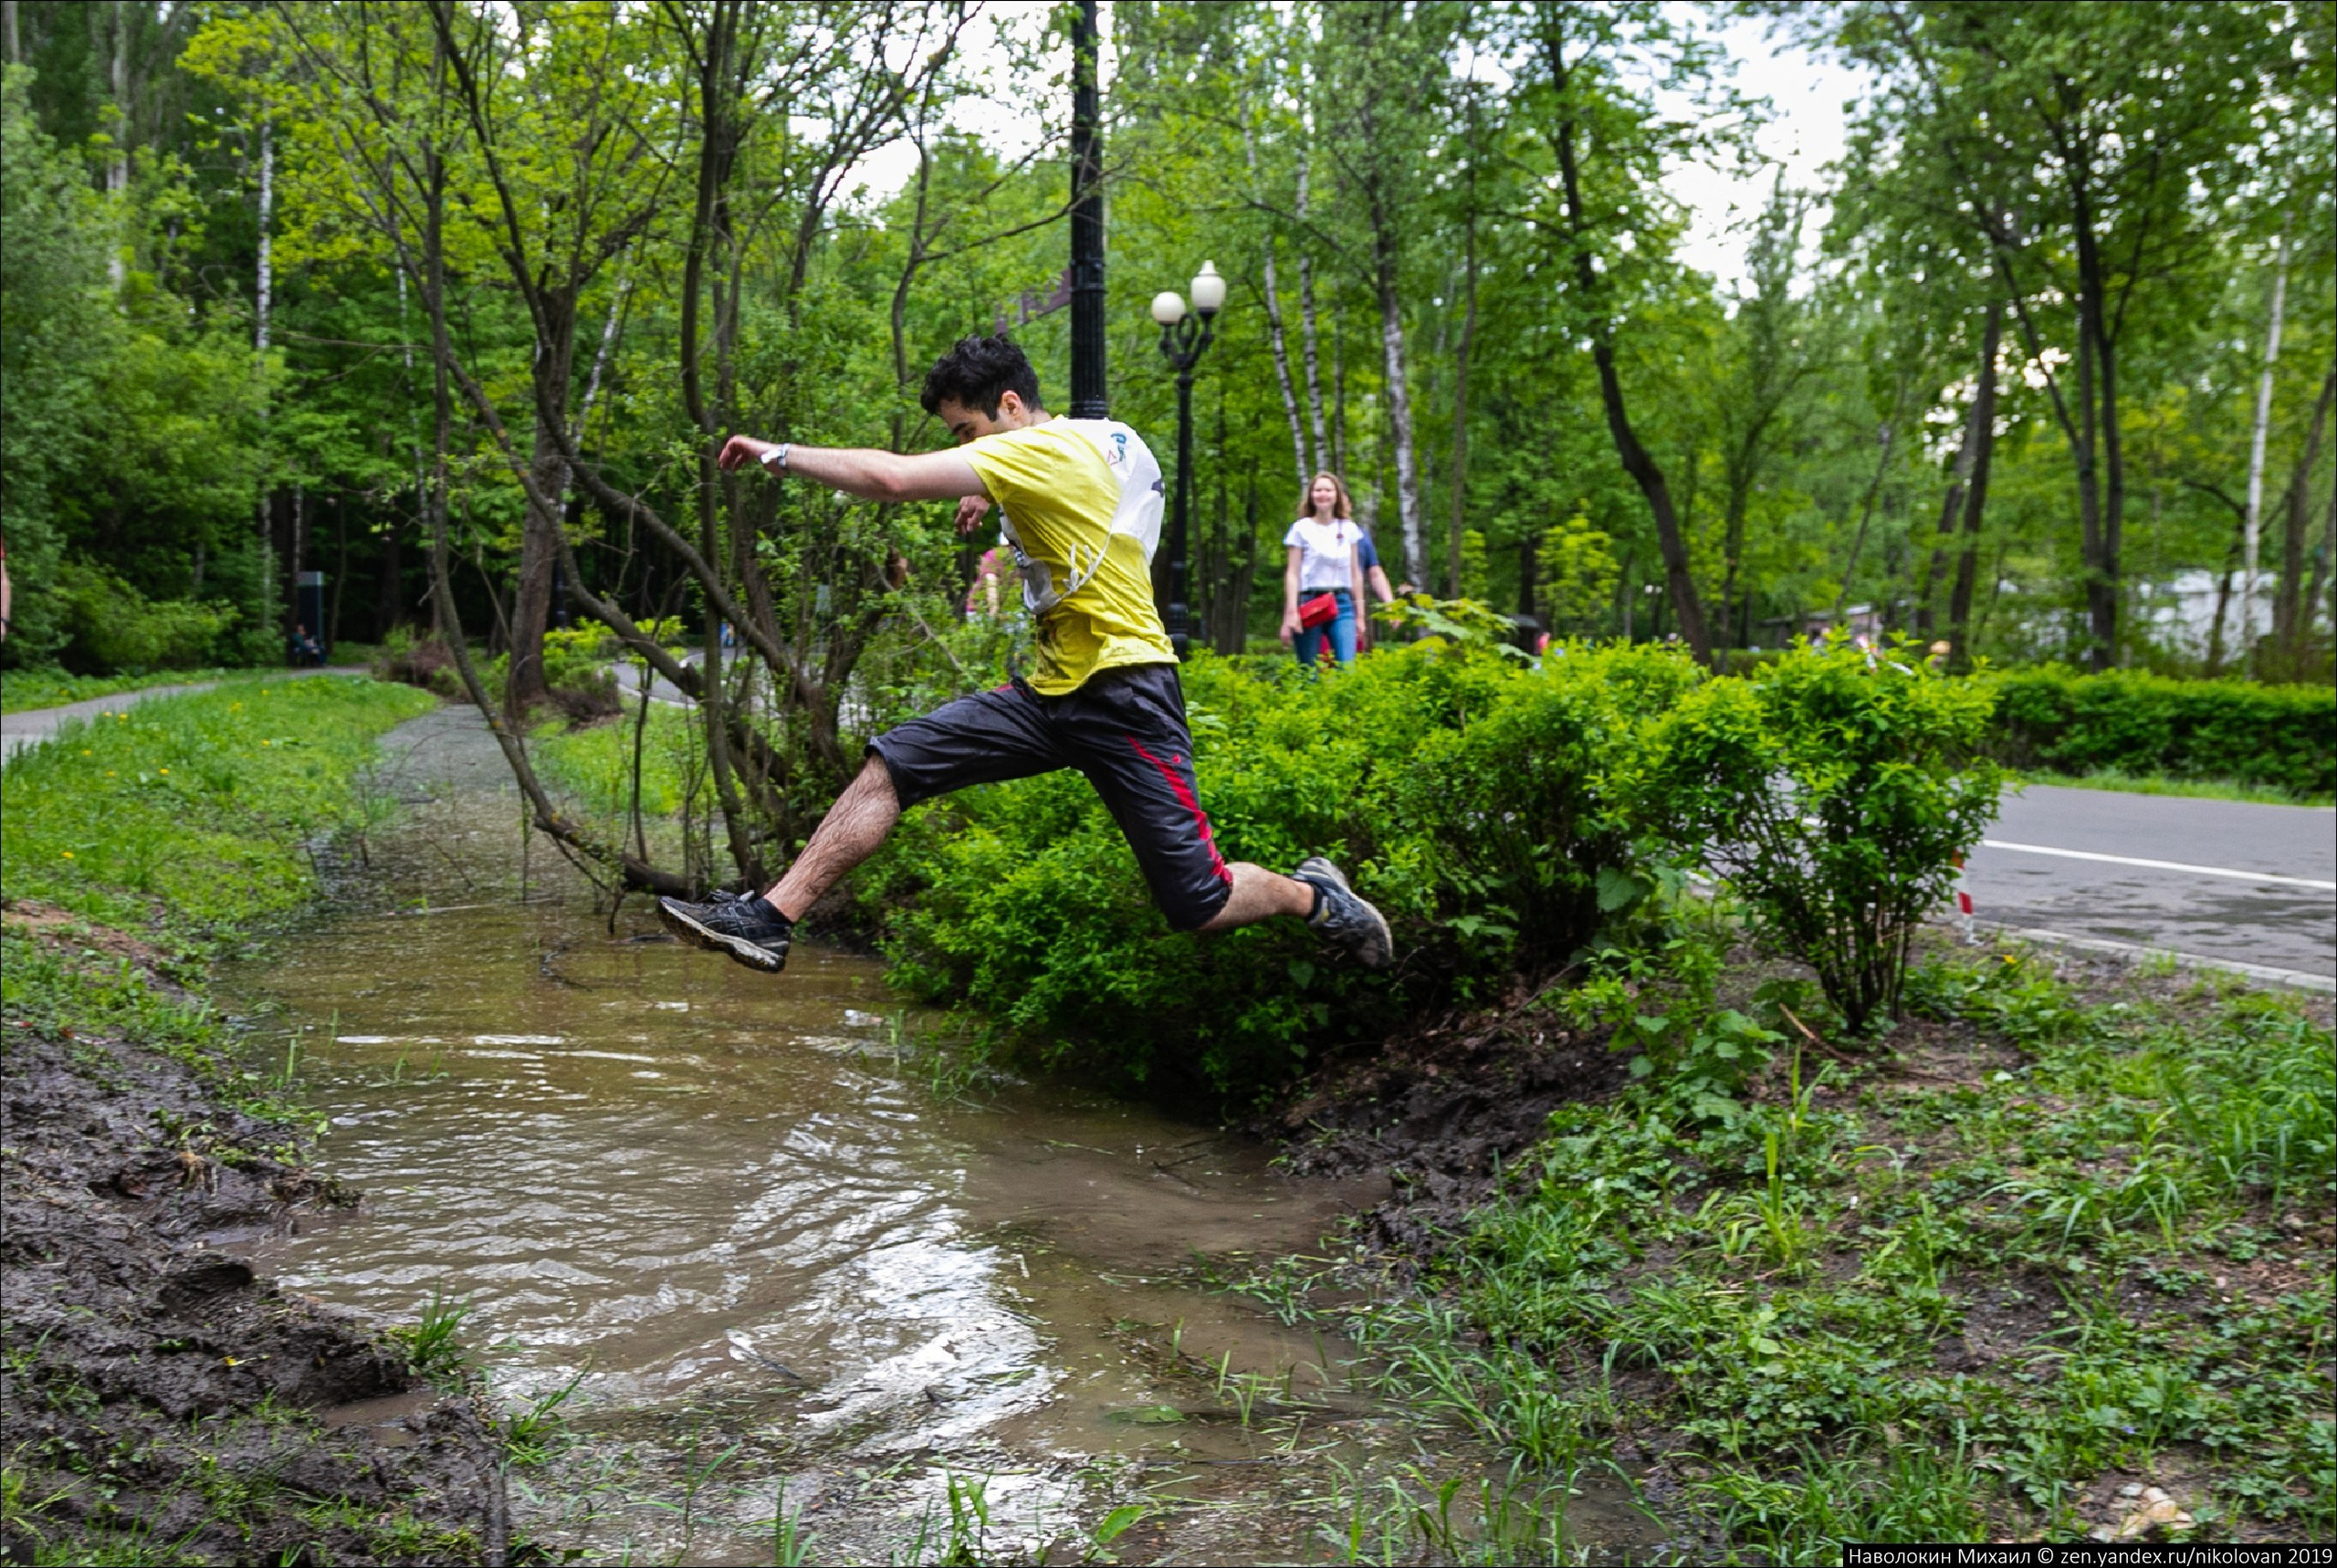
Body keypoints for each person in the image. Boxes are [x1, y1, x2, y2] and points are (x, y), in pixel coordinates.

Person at [655, 333, 1392, 977]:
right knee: (894, 765)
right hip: (1050, 695)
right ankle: (770, 919)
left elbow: (892, 479)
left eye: (967, 431)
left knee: (1198, 902)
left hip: (1128, 689)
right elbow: (1117, 476)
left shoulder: (1045, 449)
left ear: (1010, 405)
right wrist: (996, 491)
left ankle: (1315, 897)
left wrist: (778, 455)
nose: (964, 449)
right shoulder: (1080, 444)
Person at [1281, 473, 1371, 668]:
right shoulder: (1300, 528)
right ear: (1311, 495)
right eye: (1318, 490)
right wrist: (1291, 612)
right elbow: (1292, 573)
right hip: (1310, 602)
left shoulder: (1349, 529)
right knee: (1309, 671)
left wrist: (1360, 615)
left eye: (1328, 490)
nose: (1323, 494)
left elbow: (1355, 573)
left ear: (1336, 495)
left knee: (1347, 668)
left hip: (1342, 603)